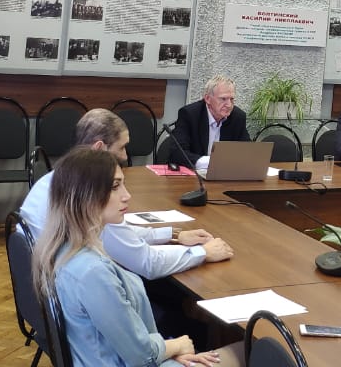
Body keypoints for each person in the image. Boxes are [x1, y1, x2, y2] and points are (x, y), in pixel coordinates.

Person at [31, 148, 238, 367]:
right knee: (249, 349)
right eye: (115, 187)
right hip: (133, 360)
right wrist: (176, 346)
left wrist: (166, 350)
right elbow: (141, 355)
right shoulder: (93, 271)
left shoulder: (59, 247)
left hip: (118, 355)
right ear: (86, 196)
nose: (126, 195)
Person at [20, 109, 232, 278]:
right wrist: (204, 252)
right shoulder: (93, 197)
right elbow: (148, 263)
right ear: (99, 148)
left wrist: (173, 235)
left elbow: (120, 235)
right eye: (121, 148)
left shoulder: (56, 178)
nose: (124, 156)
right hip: (72, 293)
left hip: (47, 287)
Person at [171, 75, 249, 169]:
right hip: (193, 174)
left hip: (224, 174)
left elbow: (247, 152)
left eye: (231, 99)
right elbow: (177, 153)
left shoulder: (237, 117)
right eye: (223, 99)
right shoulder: (190, 114)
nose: (229, 105)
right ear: (208, 99)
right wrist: (209, 162)